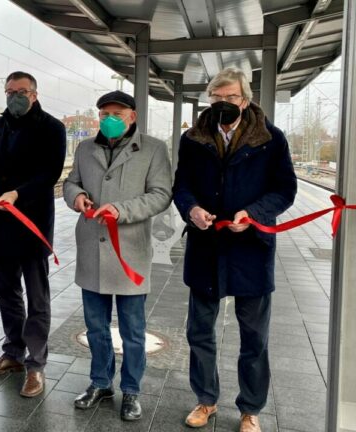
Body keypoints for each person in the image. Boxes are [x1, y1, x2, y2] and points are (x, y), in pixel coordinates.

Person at [173, 68, 297, 432]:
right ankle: (206, 400)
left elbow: (284, 190)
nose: (223, 104)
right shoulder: (193, 139)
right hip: (206, 246)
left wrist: (254, 214)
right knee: (199, 331)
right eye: (216, 98)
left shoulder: (271, 139)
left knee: (254, 337)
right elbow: (182, 186)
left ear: (245, 99)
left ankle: (250, 409)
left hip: (251, 249)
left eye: (231, 97)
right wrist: (191, 209)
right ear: (208, 100)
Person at [63, 90, 172, 421]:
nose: (109, 120)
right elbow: (70, 183)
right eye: (104, 114)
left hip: (130, 251)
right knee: (95, 326)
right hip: (92, 250)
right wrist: (78, 196)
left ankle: (132, 390)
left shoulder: (153, 149)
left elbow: (161, 194)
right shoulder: (85, 148)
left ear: (132, 117)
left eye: (117, 114)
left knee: (132, 330)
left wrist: (121, 210)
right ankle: (100, 382)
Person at [0, 71, 66, 398]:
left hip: (32, 224)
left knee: (37, 297)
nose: (15, 95)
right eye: (10, 90)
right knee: (6, 292)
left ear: (34, 94)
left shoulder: (52, 128)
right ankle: (13, 352)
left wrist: (17, 193)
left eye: (21, 91)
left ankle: (36, 364)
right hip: (1, 225)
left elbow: (49, 174)